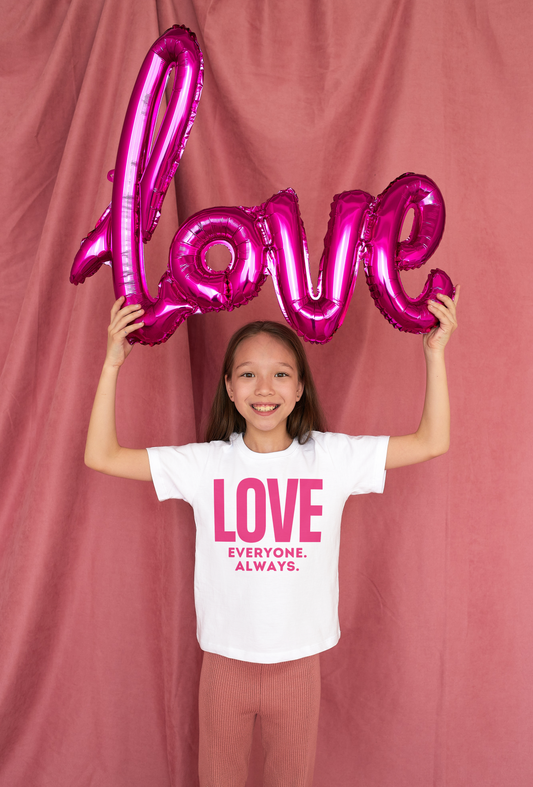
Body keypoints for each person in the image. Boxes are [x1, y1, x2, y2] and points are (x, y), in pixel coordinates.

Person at [85, 288, 459, 787]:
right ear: (230, 388)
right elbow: (102, 456)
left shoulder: (331, 459)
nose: (265, 388)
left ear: (301, 388)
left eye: (281, 373)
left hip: (298, 666)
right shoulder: (206, 464)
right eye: (248, 375)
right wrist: (111, 365)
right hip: (224, 664)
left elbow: (432, 440)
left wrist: (435, 355)